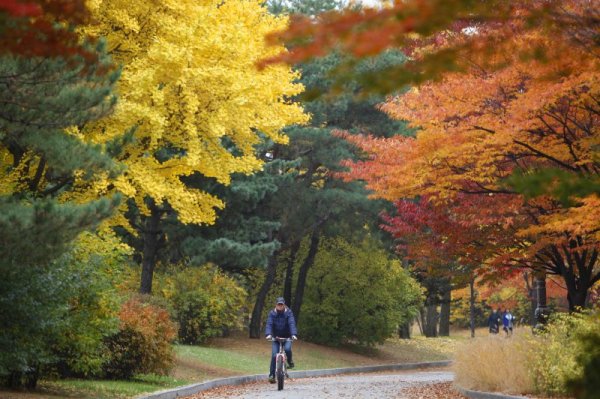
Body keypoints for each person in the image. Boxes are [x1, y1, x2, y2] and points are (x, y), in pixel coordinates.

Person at [265, 297, 298, 384]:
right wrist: (268, 334)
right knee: (274, 355)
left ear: (284, 305)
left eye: (281, 304)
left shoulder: (288, 313)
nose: (280, 306)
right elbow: (269, 323)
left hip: (287, 337)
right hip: (276, 338)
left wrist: (293, 334)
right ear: (276, 305)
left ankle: (290, 362)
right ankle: (271, 375)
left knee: (287, 349)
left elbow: (291, 323)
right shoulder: (272, 313)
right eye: (278, 304)